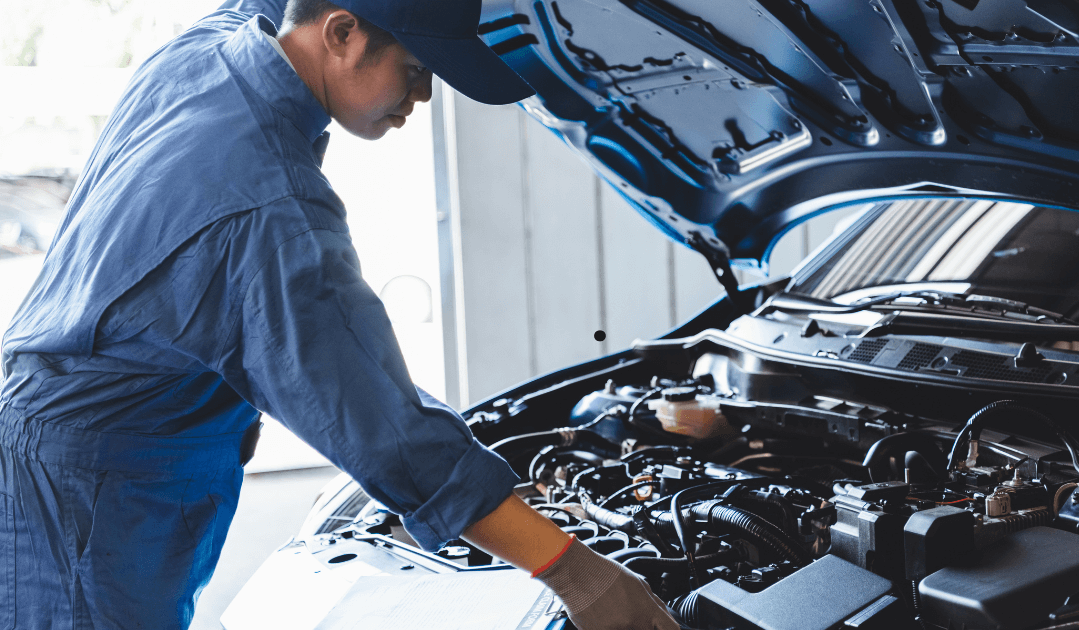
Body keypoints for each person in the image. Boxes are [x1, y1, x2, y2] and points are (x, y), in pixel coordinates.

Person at [0, 0, 679, 628]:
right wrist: (580, 575)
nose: (423, 95)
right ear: (342, 33)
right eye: (415, 69)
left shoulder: (207, 52)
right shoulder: (268, 212)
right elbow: (390, 431)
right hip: (84, 502)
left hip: (83, 454)